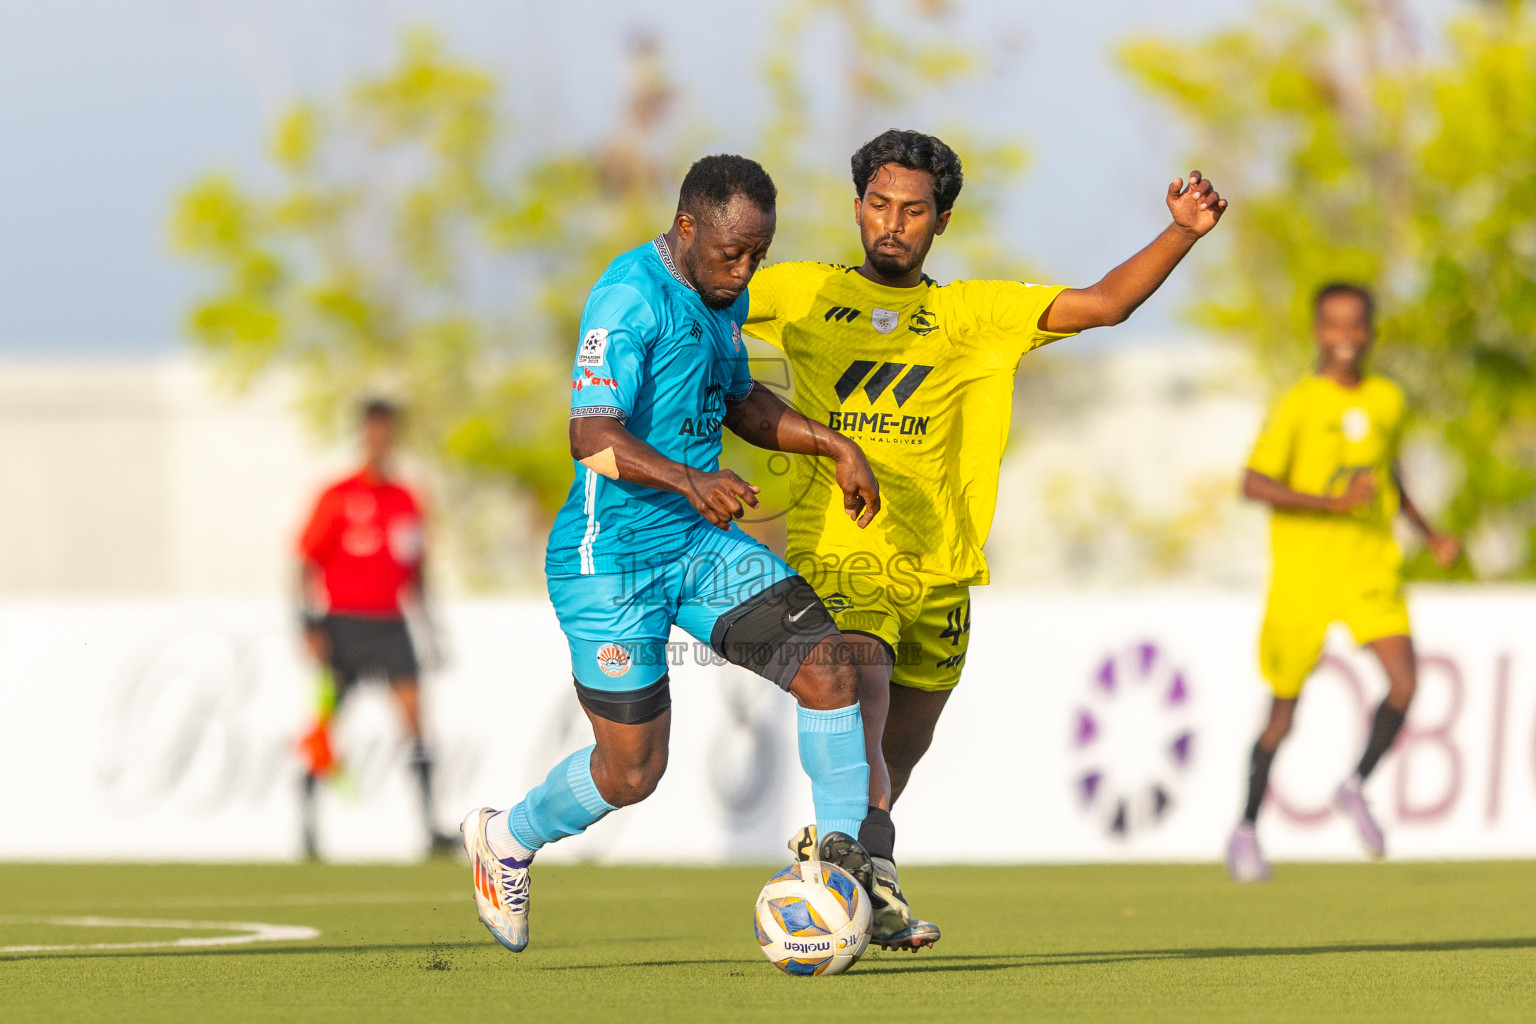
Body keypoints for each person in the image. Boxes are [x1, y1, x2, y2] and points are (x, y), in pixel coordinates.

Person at [745, 129, 1227, 949]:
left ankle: (870, 871)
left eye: (914, 211)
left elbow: (1105, 305)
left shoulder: (975, 312)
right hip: (842, 546)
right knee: (862, 693)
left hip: (944, 566)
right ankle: (842, 876)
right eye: (879, 205)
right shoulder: (796, 291)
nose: (892, 224)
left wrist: (1180, 230)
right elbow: (695, 298)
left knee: (900, 750)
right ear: (857, 207)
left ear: (941, 221)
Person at [460, 154, 886, 954]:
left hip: (695, 546)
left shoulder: (723, 294)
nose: (746, 269)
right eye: (733, 252)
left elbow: (742, 401)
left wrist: (830, 444)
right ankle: (507, 839)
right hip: (610, 563)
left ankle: (842, 869)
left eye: (758, 252)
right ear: (686, 227)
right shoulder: (627, 297)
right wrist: (692, 479)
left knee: (830, 666)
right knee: (631, 774)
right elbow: (590, 437)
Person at [1226, 283, 1460, 882]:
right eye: (1334, 326)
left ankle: (1355, 784)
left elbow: (1391, 475)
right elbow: (1253, 482)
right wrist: (1330, 504)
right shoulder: (1300, 403)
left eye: (1356, 325)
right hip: (1303, 573)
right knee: (1284, 713)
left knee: (1406, 681)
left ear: (1371, 329)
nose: (1346, 338)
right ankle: (1248, 827)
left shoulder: (1387, 399)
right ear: (1317, 333)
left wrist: (1429, 532)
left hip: (1368, 566)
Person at [297, 399, 454, 858]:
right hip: (342, 624)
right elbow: (305, 559)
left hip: (391, 623)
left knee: (415, 720)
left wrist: (430, 627)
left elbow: (416, 570)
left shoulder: (406, 499)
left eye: (387, 432)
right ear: (363, 435)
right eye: (373, 431)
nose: (380, 440)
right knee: (326, 724)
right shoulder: (337, 494)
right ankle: (306, 825)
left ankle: (429, 827)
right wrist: (308, 624)